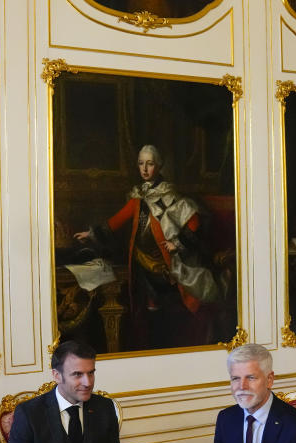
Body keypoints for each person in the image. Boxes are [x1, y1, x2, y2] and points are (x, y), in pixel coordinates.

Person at [74, 144, 219, 349]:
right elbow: (117, 221)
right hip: (141, 263)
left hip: (166, 265)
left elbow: (194, 223)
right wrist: (91, 234)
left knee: (171, 308)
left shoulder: (170, 195)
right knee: (148, 309)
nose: (144, 169)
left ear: (158, 166)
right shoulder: (138, 196)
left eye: (149, 164)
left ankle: (170, 345)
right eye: (141, 164)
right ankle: (151, 346)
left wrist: (176, 243)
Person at [4, 340, 124, 443]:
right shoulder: (29, 414)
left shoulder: (104, 408)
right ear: (56, 375)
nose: (88, 383)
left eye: (91, 373)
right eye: (77, 374)